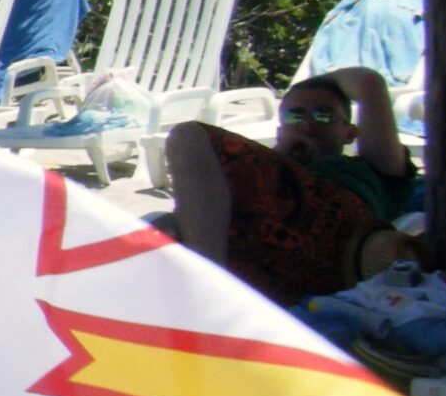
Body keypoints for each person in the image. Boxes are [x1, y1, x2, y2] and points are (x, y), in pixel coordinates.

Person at [164, 66, 419, 305]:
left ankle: (208, 291)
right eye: (295, 115)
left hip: (345, 244)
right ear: (280, 132)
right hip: (264, 260)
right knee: (162, 228)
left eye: (324, 115)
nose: (308, 124)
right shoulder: (260, 172)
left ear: (349, 132)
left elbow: (368, 82)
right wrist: (280, 157)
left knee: (188, 136)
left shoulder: (373, 168)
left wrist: (319, 81)